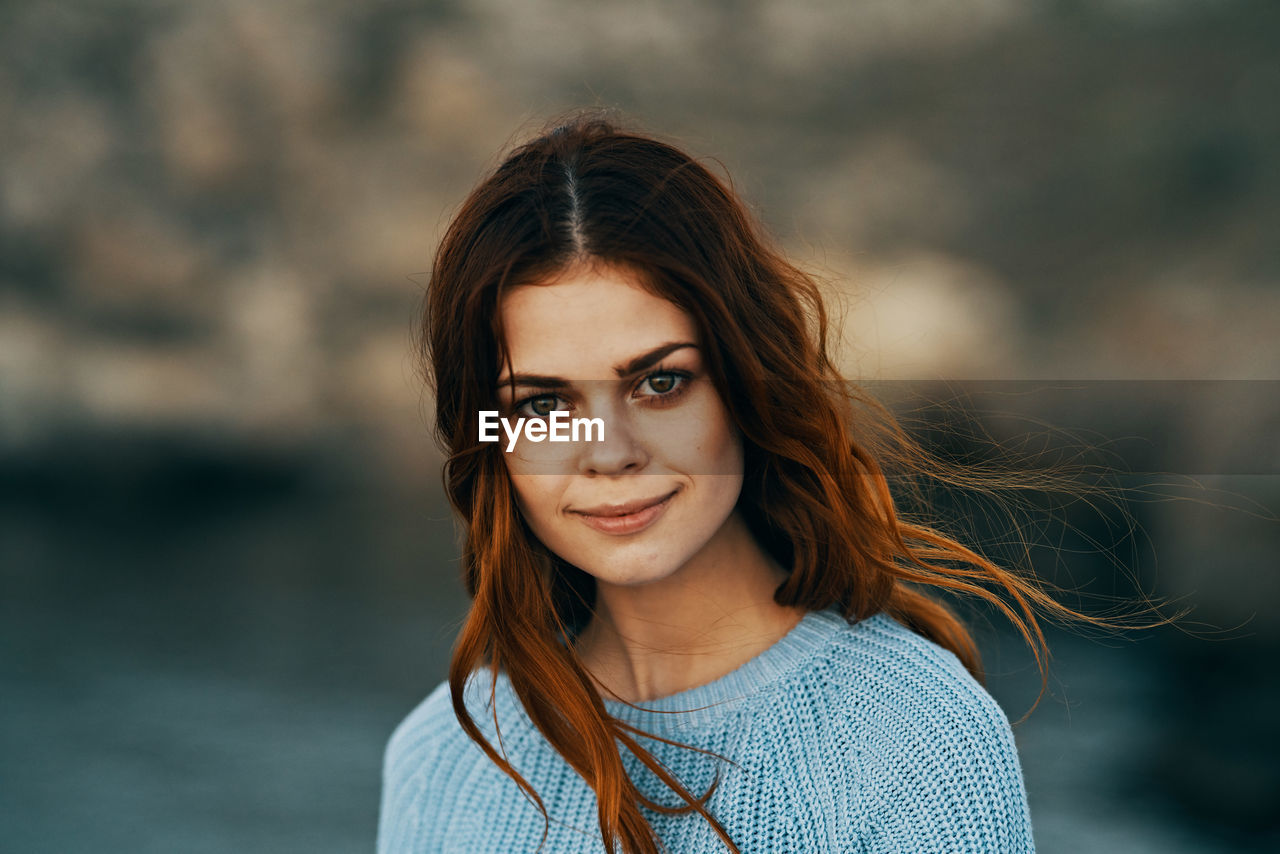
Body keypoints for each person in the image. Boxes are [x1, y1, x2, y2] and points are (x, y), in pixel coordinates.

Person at [378, 113, 1080, 853]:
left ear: (745, 386)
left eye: (659, 382)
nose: (610, 454)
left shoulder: (914, 741)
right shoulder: (442, 761)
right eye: (544, 404)